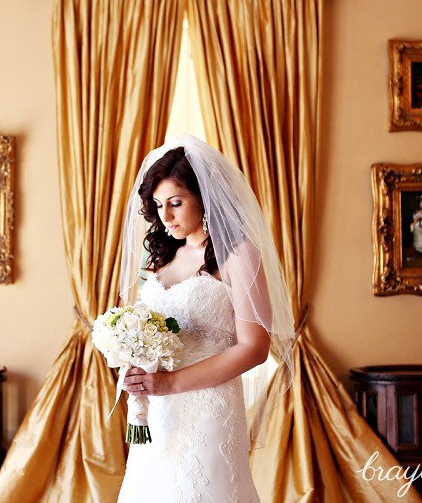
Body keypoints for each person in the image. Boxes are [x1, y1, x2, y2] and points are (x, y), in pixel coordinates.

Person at [116, 135, 294, 503]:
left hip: (208, 410)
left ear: (205, 196)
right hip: (158, 414)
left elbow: (255, 348)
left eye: (176, 203)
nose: (165, 216)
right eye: (158, 205)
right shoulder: (161, 258)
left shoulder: (240, 255)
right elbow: (145, 328)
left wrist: (170, 384)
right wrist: (132, 361)